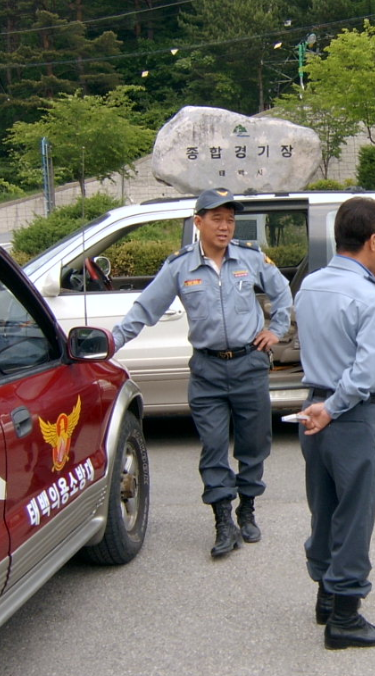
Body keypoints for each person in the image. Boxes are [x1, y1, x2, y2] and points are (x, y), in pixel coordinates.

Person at [112, 187, 292, 558]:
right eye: (216, 219)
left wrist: (276, 329)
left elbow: (283, 292)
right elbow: (144, 311)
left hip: (249, 365)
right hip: (207, 370)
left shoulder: (250, 258)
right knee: (212, 447)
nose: (225, 226)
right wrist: (110, 343)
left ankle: (247, 509)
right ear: (198, 222)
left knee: (254, 443)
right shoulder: (180, 267)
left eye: (230, 219)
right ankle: (223, 520)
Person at [294, 196, 375, 650]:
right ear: (372, 240)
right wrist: (336, 407)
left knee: (326, 507)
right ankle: (346, 616)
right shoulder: (371, 297)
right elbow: (366, 372)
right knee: (355, 516)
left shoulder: (311, 285)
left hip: (313, 408)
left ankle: (325, 595)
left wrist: (325, 407)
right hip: (352, 414)